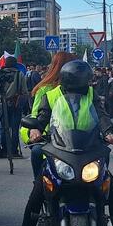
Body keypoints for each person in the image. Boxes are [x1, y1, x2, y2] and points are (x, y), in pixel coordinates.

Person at [4, 59, 113, 226]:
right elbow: (42, 117)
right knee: (37, 194)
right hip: (60, 149)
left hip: (89, 148)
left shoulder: (91, 96)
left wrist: (109, 134)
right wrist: (35, 129)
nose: (86, 86)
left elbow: (103, 116)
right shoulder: (51, 96)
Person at [20, 51, 77, 180]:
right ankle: (39, 188)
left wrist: (106, 132)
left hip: (78, 141)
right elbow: (35, 116)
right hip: (51, 141)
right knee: (37, 152)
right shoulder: (45, 89)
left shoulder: (82, 89)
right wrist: (34, 130)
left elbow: (96, 114)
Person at [0, 59, 29, 157]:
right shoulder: (19, 74)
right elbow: (25, 91)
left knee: (4, 127)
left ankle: (4, 149)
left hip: (3, 104)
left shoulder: (1, 74)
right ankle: (14, 150)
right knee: (15, 128)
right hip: (16, 104)